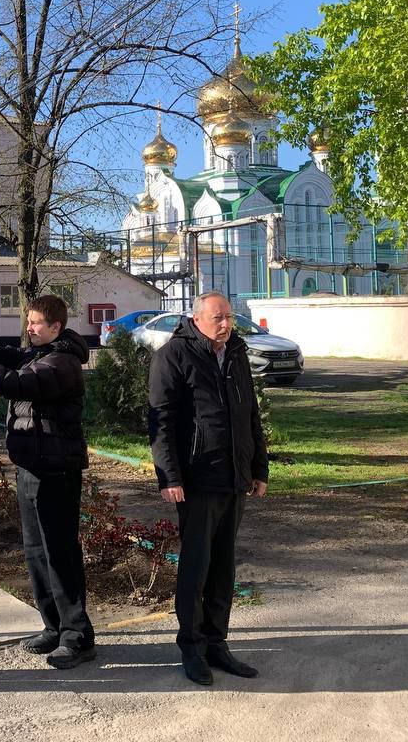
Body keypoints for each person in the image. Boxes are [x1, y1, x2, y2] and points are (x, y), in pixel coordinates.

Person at [0, 293, 96, 669]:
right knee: (36, 553)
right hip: (30, 467)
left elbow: (12, 383)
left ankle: (77, 636)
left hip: (56, 471)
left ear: (55, 327)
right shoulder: (38, 354)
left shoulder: (61, 363)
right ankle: (54, 626)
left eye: (35, 323)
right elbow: (0, 355)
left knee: (60, 554)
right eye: (28, 322)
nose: (29, 328)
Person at [148, 291, 269, 685]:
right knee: (196, 568)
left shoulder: (235, 354)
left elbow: (250, 415)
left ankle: (217, 642)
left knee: (223, 568)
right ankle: (192, 647)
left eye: (229, 317)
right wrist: (170, 476)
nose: (226, 324)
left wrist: (258, 467)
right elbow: (161, 423)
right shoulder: (173, 356)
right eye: (218, 317)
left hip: (234, 478)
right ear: (197, 318)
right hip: (198, 479)